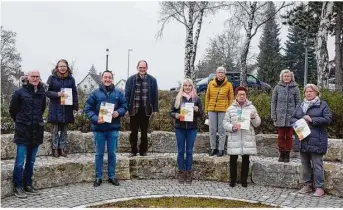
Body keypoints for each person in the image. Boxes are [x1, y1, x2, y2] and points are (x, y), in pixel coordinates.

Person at [84, 70, 127, 187]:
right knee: (99, 154)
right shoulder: (95, 93)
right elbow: (87, 108)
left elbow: (125, 106)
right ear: (101, 79)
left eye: (110, 77)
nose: (107, 79)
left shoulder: (118, 93)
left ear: (112, 79)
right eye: (105, 77)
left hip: (113, 128)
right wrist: (95, 118)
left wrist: (119, 112)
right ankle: (98, 177)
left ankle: (112, 176)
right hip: (99, 128)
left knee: (112, 153)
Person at [9, 70, 47, 198]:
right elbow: (13, 110)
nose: (35, 78)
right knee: (20, 161)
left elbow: (42, 109)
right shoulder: (19, 93)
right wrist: (21, 121)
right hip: (23, 130)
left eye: (37, 76)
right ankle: (18, 186)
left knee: (31, 161)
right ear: (28, 78)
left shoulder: (42, 94)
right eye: (33, 76)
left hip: (36, 130)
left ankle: (28, 184)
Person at [290, 84, 332, 197]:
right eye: (306, 92)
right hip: (302, 139)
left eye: (310, 91)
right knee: (305, 164)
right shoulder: (300, 105)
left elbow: (328, 119)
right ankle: (307, 185)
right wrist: (300, 120)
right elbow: (292, 118)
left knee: (317, 164)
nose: (308, 93)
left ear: (316, 93)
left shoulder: (322, 105)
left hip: (316, 140)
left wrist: (312, 119)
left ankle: (319, 187)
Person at [222, 86, 261, 187]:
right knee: (233, 160)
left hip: (247, 137)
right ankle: (232, 180)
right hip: (235, 136)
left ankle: (244, 180)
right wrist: (231, 127)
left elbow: (257, 123)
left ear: (246, 95)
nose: (242, 96)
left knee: (245, 160)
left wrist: (253, 117)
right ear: (236, 96)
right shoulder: (230, 108)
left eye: (244, 94)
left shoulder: (252, 108)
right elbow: (225, 123)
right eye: (240, 94)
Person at [170, 78, 203, 184]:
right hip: (180, 127)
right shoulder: (178, 98)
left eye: (189, 85)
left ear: (192, 87)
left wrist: (197, 110)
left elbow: (201, 114)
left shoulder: (196, 99)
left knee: (189, 151)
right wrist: (176, 115)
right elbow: (171, 112)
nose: (187, 87)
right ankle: (181, 172)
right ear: (182, 87)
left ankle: (188, 172)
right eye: (185, 85)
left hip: (192, 128)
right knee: (180, 151)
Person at [125, 60, 159, 157]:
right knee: (133, 132)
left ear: (147, 68)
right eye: (140, 67)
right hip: (134, 109)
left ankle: (143, 151)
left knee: (144, 132)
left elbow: (155, 95)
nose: (142, 69)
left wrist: (155, 110)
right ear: (137, 68)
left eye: (144, 68)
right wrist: (126, 108)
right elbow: (127, 96)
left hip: (146, 110)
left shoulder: (152, 80)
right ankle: (133, 150)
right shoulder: (130, 80)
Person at [46, 59, 78, 157]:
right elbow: (47, 92)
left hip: (67, 108)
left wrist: (75, 106)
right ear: (57, 67)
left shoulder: (71, 79)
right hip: (55, 107)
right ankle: (55, 148)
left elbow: (74, 93)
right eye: (60, 66)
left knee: (64, 130)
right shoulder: (51, 78)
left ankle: (62, 148)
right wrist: (57, 94)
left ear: (67, 67)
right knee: (55, 130)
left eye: (64, 66)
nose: (62, 68)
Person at [271, 69, 301, 162]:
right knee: (280, 136)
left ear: (291, 77)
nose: (287, 78)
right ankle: (281, 153)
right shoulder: (277, 87)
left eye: (288, 76)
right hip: (279, 116)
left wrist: (297, 115)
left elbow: (298, 102)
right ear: (282, 77)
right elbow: (273, 102)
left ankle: (287, 154)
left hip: (291, 117)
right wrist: (273, 115)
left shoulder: (295, 88)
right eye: (285, 76)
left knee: (289, 136)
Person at [205, 66, 234, 157]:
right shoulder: (210, 84)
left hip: (223, 110)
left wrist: (229, 110)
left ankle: (221, 149)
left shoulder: (229, 85)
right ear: (216, 73)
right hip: (212, 110)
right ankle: (213, 148)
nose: (221, 74)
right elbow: (207, 97)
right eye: (219, 72)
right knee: (212, 129)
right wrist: (206, 110)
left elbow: (231, 99)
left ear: (225, 74)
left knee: (222, 130)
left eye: (222, 72)